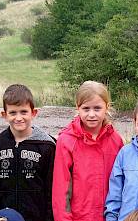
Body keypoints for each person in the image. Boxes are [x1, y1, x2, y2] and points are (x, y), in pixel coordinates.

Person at [52, 81, 124, 221]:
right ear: (77, 108)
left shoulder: (116, 140)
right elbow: (61, 189)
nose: (91, 114)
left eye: (97, 108)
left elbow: (122, 183)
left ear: (107, 107)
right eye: (86, 109)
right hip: (79, 216)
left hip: (109, 216)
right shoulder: (66, 141)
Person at [0, 84, 56, 221]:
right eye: (13, 112)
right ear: (4, 114)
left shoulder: (47, 146)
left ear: (33, 112)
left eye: (23, 112)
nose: (18, 118)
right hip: (5, 217)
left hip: (37, 216)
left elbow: (51, 190)